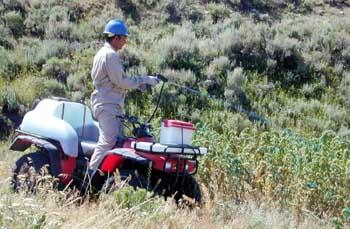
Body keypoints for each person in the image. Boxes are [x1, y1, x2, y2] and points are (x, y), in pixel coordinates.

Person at [89, 19, 159, 172]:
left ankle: (105, 179)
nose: (125, 42)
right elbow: (121, 81)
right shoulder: (110, 55)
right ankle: (90, 178)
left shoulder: (103, 53)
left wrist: (139, 84)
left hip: (109, 104)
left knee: (116, 143)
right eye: (124, 38)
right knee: (108, 141)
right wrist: (145, 80)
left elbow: (117, 81)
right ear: (116, 37)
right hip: (108, 105)